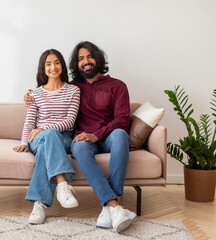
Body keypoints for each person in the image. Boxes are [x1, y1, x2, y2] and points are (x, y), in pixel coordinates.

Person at [24, 41, 136, 233]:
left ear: (98, 59)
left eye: (90, 57)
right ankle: (113, 208)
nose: (86, 62)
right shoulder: (74, 87)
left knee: (120, 135)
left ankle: (111, 203)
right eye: (80, 59)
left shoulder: (116, 86)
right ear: (76, 64)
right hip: (82, 140)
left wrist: (97, 135)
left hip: (108, 137)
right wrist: (30, 98)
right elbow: (43, 101)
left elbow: (123, 119)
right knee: (77, 147)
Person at [14, 49, 81, 225]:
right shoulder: (35, 94)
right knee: (46, 140)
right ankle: (62, 185)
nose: (53, 67)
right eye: (48, 64)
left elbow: (69, 121)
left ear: (62, 65)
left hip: (63, 137)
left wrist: (44, 127)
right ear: (43, 68)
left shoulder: (73, 91)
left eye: (57, 62)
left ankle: (39, 204)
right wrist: (23, 142)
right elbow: (29, 123)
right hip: (37, 137)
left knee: (47, 144)